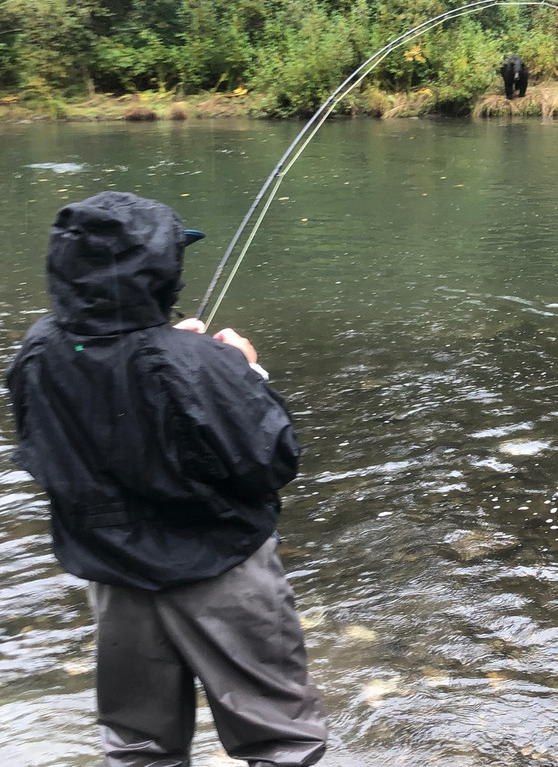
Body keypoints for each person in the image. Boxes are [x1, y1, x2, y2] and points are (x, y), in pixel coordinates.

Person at [4, 192, 327, 766]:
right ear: (155, 270)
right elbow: (270, 461)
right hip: (220, 568)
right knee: (281, 740)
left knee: (138, 747)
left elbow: (50, 449)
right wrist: (245, 370)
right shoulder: (199, 363)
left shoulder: (36, 350)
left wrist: (177, 349)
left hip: (112, 577)